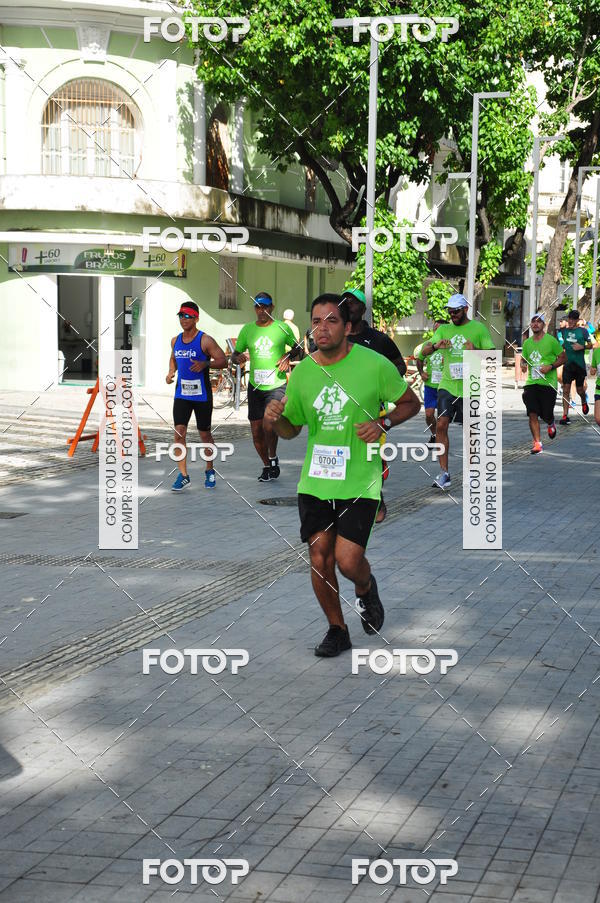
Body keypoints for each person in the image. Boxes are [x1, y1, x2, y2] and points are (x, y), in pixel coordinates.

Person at [264, 293, 420, 657]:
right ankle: (337, 629)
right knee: (320, 557)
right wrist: (278, 420)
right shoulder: (303, 371)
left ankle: (366, 588)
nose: (322, 328)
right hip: (316, 481)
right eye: (316, 321)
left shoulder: (374, 364)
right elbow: (292, 431)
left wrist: (383, 421)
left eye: (331, 320)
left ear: (348, 327)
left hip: (360, 479)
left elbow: (410, 402)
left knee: (348, 562)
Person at [343, 287, 407, 522]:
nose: (347, 305)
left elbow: (400, 365)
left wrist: (382, 384)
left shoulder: (378, 339)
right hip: (341, 410)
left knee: (369, 457)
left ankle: (376, 497)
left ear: (363, 308)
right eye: (344, 302)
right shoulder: (336, 338)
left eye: (353, 302)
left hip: (371, 411)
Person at [420, 293, 495, 490]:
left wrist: (475, 351)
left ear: (465, 309)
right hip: (447, 385)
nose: (452, 314)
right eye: (450, 311)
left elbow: (492, 357)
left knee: (470, 431)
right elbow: (424, 351)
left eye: (456, 311)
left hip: (470, 386)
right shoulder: (444, 329)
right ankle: (444, 473)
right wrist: (436, 345)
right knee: (441, 425)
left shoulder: (478, 328)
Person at [232, 292, 300, 481]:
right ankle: (267, 464)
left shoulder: (281, 327)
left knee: (269, 425)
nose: (261, 310)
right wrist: (237, 358)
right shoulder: (247, 330)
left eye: (265, 306)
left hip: (276, 384)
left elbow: (299, 349)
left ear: (272, 307)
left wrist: (288, 356)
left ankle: (272, 457)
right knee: (256, 432)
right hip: (255, 386)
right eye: (257, 306)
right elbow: (234, 354)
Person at [166, 302, 228, 491]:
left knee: (205, 434)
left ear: (196, 318)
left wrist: (205, 364)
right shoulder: (175, 340)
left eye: (188, 316)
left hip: (201, 396)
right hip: (182, 394)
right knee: (179, 434)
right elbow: (173, 358)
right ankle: (183, 475)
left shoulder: (205, 340)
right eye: (181, 316)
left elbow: (223, 361)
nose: (183, 319)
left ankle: (209, 470)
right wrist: (170, 372)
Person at [520, 313, 565, 454]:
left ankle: (550, 422)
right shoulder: (527, 343)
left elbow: (563, 358)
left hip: (548, 383)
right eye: (533, 322)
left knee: (545, 414)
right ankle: (537, 443)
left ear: (543, 325)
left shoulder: (551, 341)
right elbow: (524, 359)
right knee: (532, 412)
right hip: (531, 383)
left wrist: (550, 367)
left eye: (539, 322)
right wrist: (522, 364)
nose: (535, 324)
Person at [559, 309, 592, 424]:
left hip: (579, 365)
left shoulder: (583, 332)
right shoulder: (563, 331)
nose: (571, 321)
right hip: (567, 365)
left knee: (579, 390)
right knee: (566, 390)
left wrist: (582, 347)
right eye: (570, 318)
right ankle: (565, 415)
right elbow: (563, 344)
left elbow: (591, 345)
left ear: (577, 320)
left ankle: (583, 400)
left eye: (574, 319)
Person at [414, 321, 444, 444]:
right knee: (429, 414)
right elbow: (419, 359)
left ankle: (441, 439)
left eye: (440, 328)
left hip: (445, 386)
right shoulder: (428, 344)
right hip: (430, 385)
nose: (437, 331)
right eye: (435, 328)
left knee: (443, 418)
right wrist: (421, 372)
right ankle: (435, 434)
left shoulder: (449, 345)